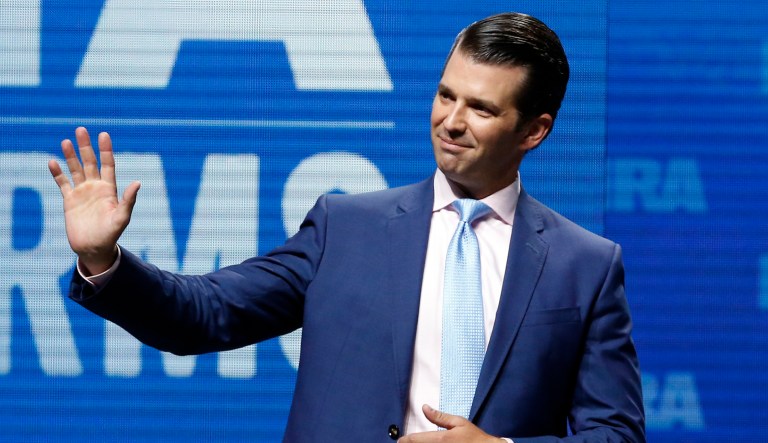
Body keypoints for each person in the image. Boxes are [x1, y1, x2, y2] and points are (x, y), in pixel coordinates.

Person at [48, 12, 645, 443]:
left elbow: (615, 433)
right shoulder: (346, 227)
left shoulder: (585, 265)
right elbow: (205, 314)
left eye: (482, 109)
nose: (451, 122)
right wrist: (106, 261)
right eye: (445, 95)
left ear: (533, 131)